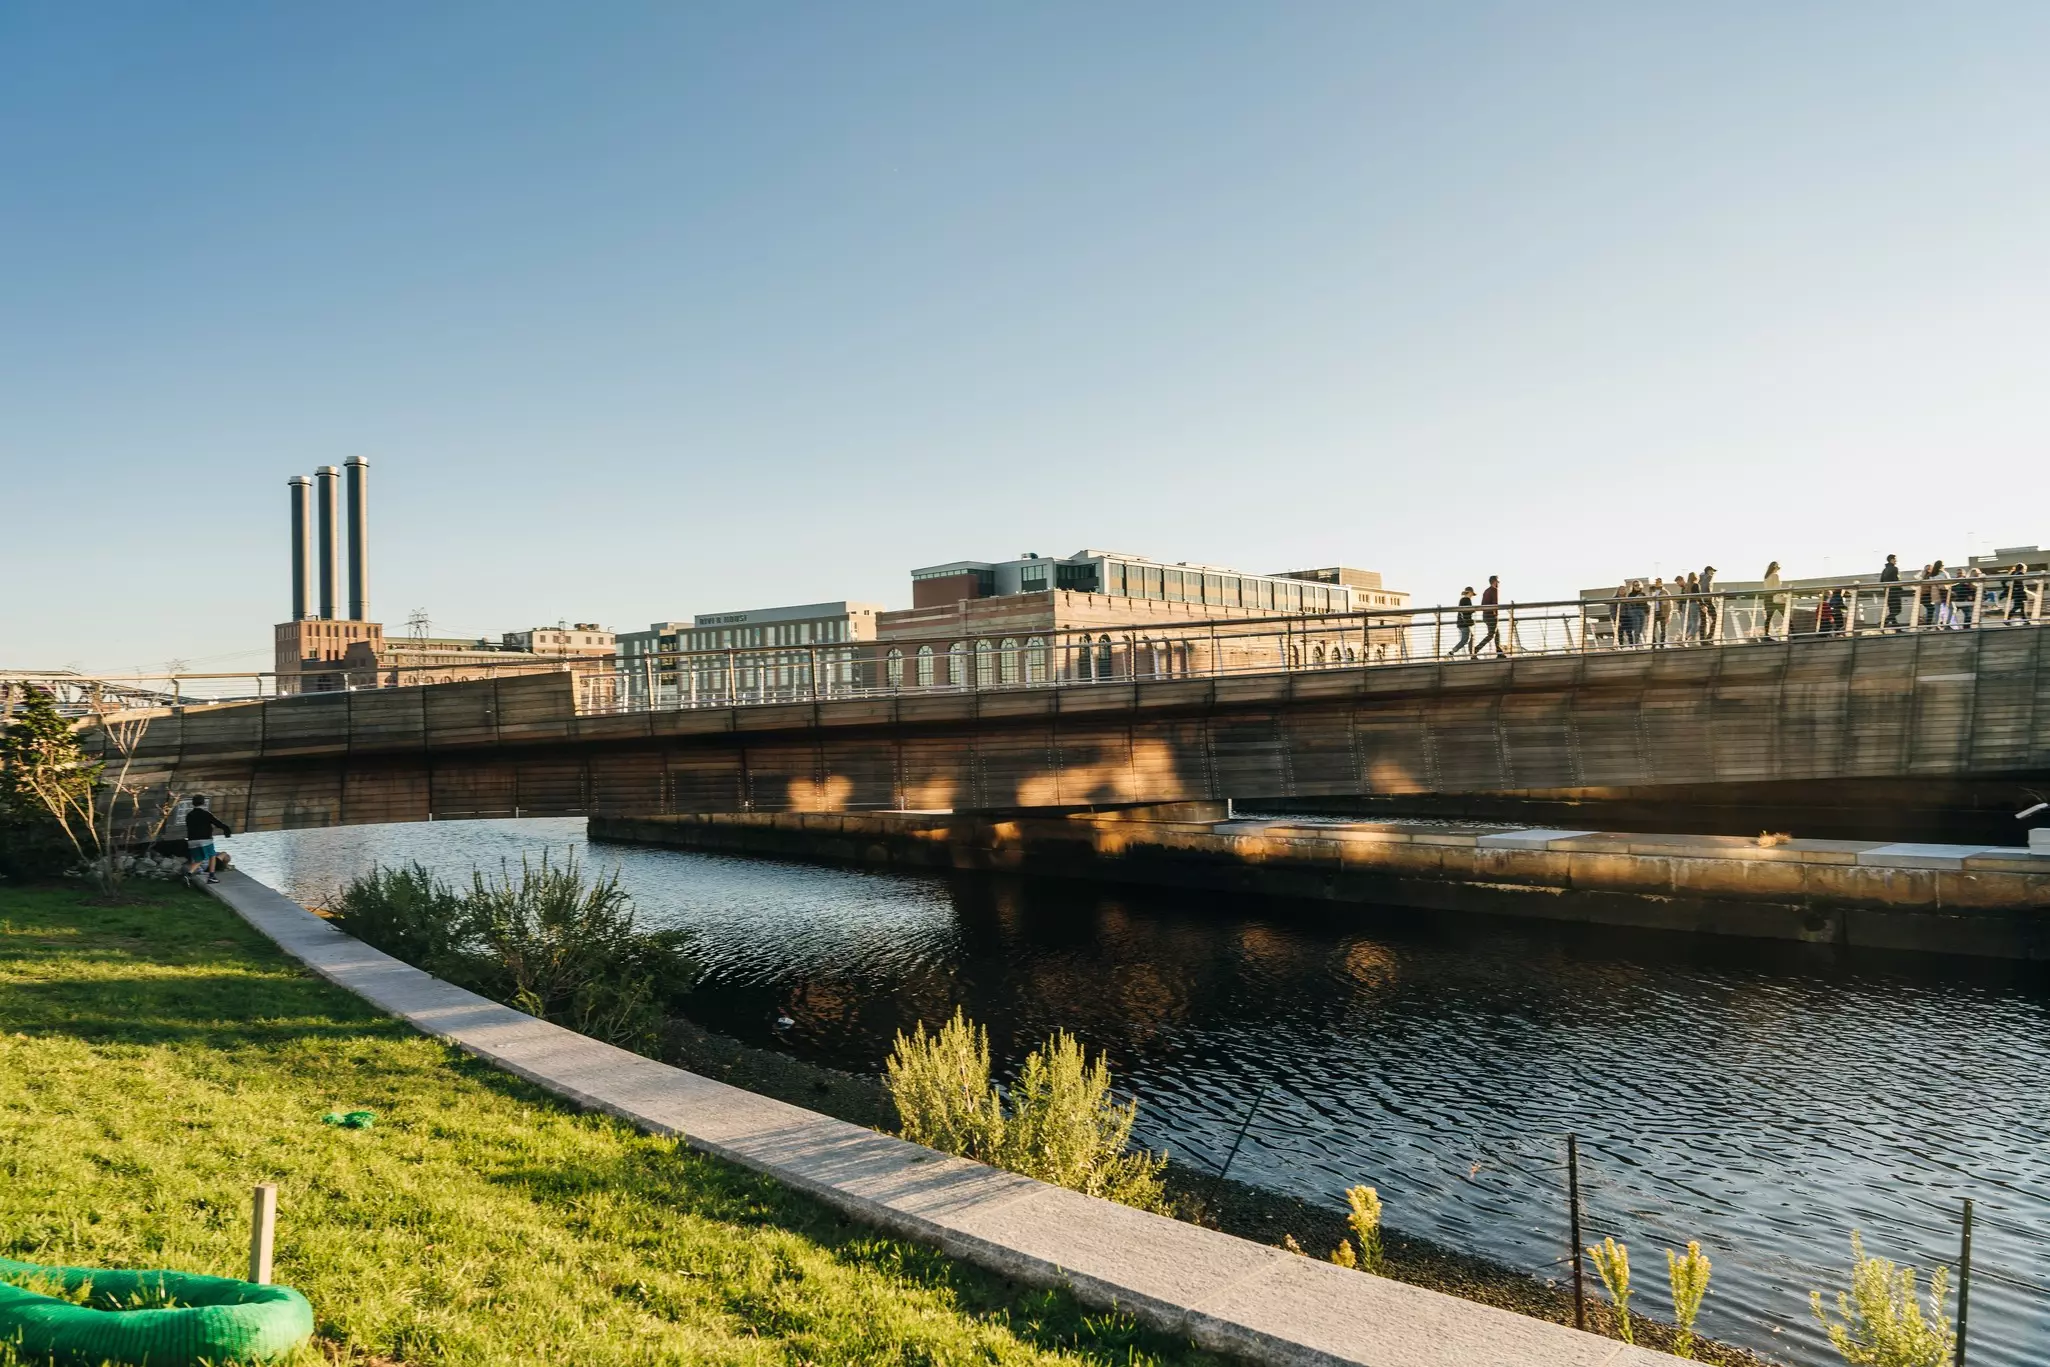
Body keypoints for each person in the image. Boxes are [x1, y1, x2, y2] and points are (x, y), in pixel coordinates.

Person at [184, 795, 232, 884]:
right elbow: (218, 823)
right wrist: (227, 830)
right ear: (203, 803)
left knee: (199, 859)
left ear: (193, 803)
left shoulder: (189, 815)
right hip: (205, 839)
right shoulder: (206, 814)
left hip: (192, 841)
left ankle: (188, 874)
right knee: (212, 856)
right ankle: (211, 876)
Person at [1475, 576, 1503, 656]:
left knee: (1496, 634)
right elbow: (1495, 604)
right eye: (1497, 582)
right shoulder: (1494, 590)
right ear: (1494, 582)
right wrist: (1495, 615)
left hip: (1485, 616)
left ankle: (1499, 652)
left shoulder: (1486, 591)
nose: (1498, 583)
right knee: (1491, 635)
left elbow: (1482, 604)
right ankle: (1476, 648)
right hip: (1491, 616)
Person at [1758, 561, 1784, 641]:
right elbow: (1777, 588)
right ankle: (1793, 633)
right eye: (1777, 568)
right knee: (1786, 615)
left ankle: (1766, 635)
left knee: (1768, 618)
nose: (1777, 570)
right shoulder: (1775, 576)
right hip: (1775, 598)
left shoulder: (1766, 577)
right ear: (1774, 568)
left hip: (1767, 598)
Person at [1880, 554, 1904, 630]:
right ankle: (1883, 623)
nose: (1896, 561)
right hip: (1894, 592)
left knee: (1892, 610)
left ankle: (1897, 629)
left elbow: (1881, 581)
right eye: (1895, 559)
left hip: (1887, 593)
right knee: (1897, 610)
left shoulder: (1884, 570)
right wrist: (1900, 589)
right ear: (1891, 560)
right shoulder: (1895, 569)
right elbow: (1897, 580)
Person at [1452, 587, 1476, 657]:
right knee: (1464, 640)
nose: (1472, 596)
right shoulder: (1466, 600)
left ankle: (1472, 654)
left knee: (1471, 637)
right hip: (1464, 624)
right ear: (1470, 592)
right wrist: (1473, 610)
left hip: (1462, 623)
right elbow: (1466, 611)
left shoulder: (1463, 600)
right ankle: (1452, 652)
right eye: (1472, 594)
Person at [1698, 566, 1720, 642]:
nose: (1713, 573)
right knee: (1715, 618)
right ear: (1708, 571)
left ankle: (1703, 639)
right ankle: (1709, 637)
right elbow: (1706, 589)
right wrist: (1712, 596)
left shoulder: (1700, 578)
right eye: (1712, 571)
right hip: (1707, 601)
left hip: (1701, 601)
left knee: (1703, 621)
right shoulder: (1708, 578)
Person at [1651, 576, 1673, 648]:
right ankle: (1654, 643)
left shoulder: (1665, 592)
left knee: (1663, 629)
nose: (1657, 583)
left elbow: (1670, 604)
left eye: (1659, 581)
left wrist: (1668, 616)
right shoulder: (1652, 591)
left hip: (1662, 613)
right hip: (1654, 612)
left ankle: (1662, 644)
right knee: (1652, 629)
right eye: (1656, 581)